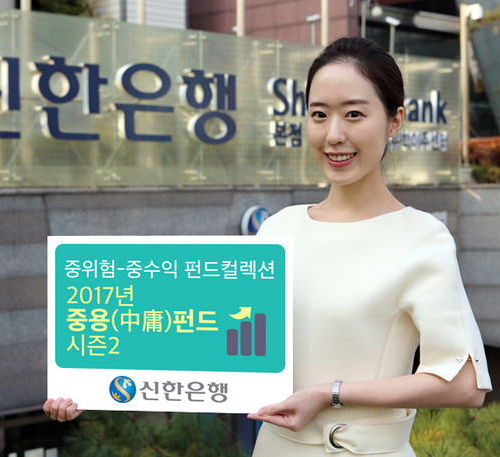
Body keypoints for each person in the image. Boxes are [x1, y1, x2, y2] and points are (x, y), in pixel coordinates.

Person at [44, 37, 492, 456]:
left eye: (354, 114)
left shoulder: (420, 238)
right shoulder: (280, 229)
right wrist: (95, 383)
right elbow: (205, 339)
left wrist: (329, 394)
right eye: (319, 115)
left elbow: (463, 384)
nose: (333, 134)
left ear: (394, 121)